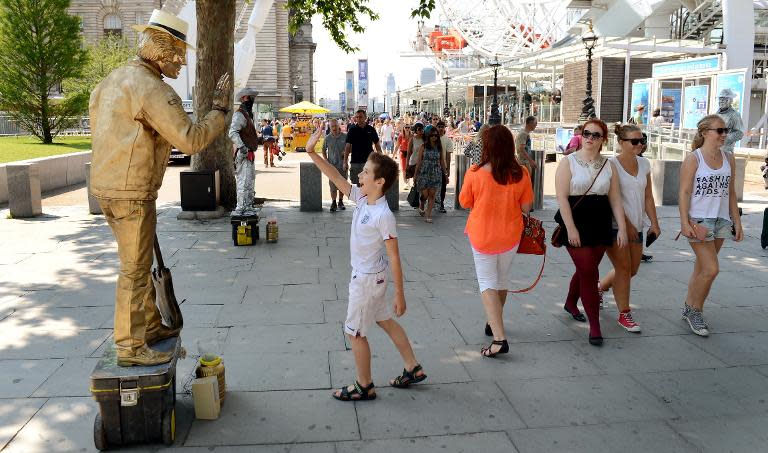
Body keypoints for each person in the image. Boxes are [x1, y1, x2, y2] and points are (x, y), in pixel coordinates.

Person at [89, 9, 231, 366]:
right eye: (179, 55)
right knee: (135, 271)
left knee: (139, 263)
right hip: (132, 191)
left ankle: (150, 326)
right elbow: (191, 140)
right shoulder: (152, 89)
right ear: (162, 51)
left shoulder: (113, 80)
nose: (182, 64)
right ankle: (131, 346)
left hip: (109, 187)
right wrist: (219, 112)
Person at [305, 125, 427, 401]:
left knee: (355, 333)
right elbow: (336, 176)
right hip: (373, 277)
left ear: (380, 182)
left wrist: (401, 295)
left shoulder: (384, 215)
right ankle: (413, 367)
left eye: (365, 173)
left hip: (368, 281)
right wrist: (312, 152)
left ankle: (364, 385)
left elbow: (395, 255)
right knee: (383, 320)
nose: (359, 175)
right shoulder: (361, 197)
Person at [459, 125, 533, 357]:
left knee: (487, 283)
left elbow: (464, 202)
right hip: (510, 234)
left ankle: (500, 339)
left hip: (482, 234)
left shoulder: (475, 172)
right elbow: (526, 207)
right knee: (501, 280)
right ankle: (494, 322)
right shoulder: (521, 173)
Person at [554, 118, 628, 346]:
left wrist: (622, 228)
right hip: (576, 222)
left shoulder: (609, 165)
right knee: (589, 271)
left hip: (601, 222)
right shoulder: (568, 162)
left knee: (587, 269)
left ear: (603, 140)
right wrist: (571, 228)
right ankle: (594, 326)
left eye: (596, 135)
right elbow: (562, 198)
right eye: (587, 133)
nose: (590, 138)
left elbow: (615, 198)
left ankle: (570, 302)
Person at [678, 114, 744, 336]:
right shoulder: (693, 159)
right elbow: (684, 192)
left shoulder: (729, 158)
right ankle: (695, 311)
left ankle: (690, 307)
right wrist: (684, 222)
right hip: (699, 220)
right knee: (711, 269)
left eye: (725, 131)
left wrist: (737, 221)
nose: (724, 134)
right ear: (705, 133)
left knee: (701, 268)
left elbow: (731, 192)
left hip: (721, 219)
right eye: (720, 131)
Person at [597, 124, 661, 333]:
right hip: (616, 226)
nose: (640, 144)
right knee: (624, 269)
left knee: (632, 269)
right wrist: (627, 224)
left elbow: (648, 196)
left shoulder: (644, 164)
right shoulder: (610, 165)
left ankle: (600, 288)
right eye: (635, 141)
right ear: (621, 143)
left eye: (642, 140)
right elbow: (610, 198)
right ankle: (624, 314)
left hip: (638, 225)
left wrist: (654, 222)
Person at [229, 88, 261, 216]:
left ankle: (248, 206)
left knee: (249, 181)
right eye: (249, 97)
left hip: (249, 153)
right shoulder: (240, 114)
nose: (251, 100)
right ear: (243, 99)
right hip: (244, 153)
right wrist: (242, 147)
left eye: (251, 97)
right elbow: (232, 132)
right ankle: (241, 207)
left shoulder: (247, 115)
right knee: (243, 181)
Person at [413, 125, 447, 223]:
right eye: (432, 135)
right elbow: (419, 161)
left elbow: (442, 162)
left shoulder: (439, 147)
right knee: (425, 194)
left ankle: (428, 215)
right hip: (424, 172)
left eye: (436, 135)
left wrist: (445, 174)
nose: (434, 137)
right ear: (429, 136)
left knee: (432, 195)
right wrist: (415, 174)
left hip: (436, 173)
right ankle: (422, 202)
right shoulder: (423, 146)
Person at [344, 110, 382, 185]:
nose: (358, 119)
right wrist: (345, 161)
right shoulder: (352, 130)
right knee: (356, 185)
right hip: (355, 162)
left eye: (360, 117)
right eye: (357, 117)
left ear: (365, 117)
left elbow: (377, 144)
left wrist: (381, 159)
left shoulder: (371, 129)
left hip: (369, 162)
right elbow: (347, 147)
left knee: (369, 184)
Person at [322, 119, 348, 212]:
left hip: (342, 166)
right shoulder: (327, 138)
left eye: (335, 126)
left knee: (342, 185)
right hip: (332, 167)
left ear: (338, 126)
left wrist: (345, 153)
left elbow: (350, 148)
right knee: (332, 186)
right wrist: (326, 161)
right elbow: (323, 150)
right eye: (332, 126)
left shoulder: (345, 137)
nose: (334, 128)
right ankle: (333, 202)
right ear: (330, 127)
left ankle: (340, 201)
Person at [716, 88, 745, 154]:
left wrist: (725, 137)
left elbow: (740, 133)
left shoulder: (735, 115)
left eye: (725, 99)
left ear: (730, 101)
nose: (722, 101)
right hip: (715, 150)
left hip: (726, 150)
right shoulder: (716, 114)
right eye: (720, 99)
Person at [437, 120, 453, 213]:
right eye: (439, 126)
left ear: (444, 128)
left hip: (443, 167)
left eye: (442, 127)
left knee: (443, 187)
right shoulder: (432, 138)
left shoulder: (447, 140)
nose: (440, 128)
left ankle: (441, 204)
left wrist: (448, 169)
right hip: (433, 166)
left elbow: (448, 156)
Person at [516, 116, 538, 183]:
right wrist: (531, 161)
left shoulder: (525, 134)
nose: (536, 125)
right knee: (526, 182)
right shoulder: (523, 134)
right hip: (523, 163)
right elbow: (522, 149)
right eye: (535, 123)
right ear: (530, 123)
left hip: (525, 162)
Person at [406, 123, 425, 187]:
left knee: (422, 182)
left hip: (423, 163)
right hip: (414, 162)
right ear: (416, 130)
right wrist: (407, 165)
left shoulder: (425, 139)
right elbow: (408, 153)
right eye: (419, 129)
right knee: (416, 182)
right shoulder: (412, 139)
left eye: (422, 129)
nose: (421, 131)